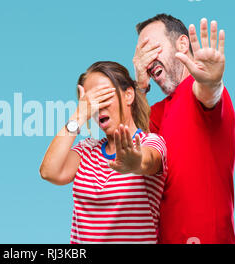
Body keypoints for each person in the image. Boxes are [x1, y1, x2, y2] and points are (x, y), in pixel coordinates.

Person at [132, 14, 235, 244]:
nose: (146, 61)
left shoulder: (198, 91)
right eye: (141, 55)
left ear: (182, 44)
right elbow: (135, 149)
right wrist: (140, 84)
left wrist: (212, 81)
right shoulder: (159, 111)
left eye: (153, 48)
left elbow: (209, 94)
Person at [39, 61, 167, 244]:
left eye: (103, 96)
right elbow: (49, 172)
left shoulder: (151, 142)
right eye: (91, 102)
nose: (97, 107)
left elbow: (149, 160)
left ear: (129, 95)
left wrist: (135, 162)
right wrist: (79, 115)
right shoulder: (86, 150)